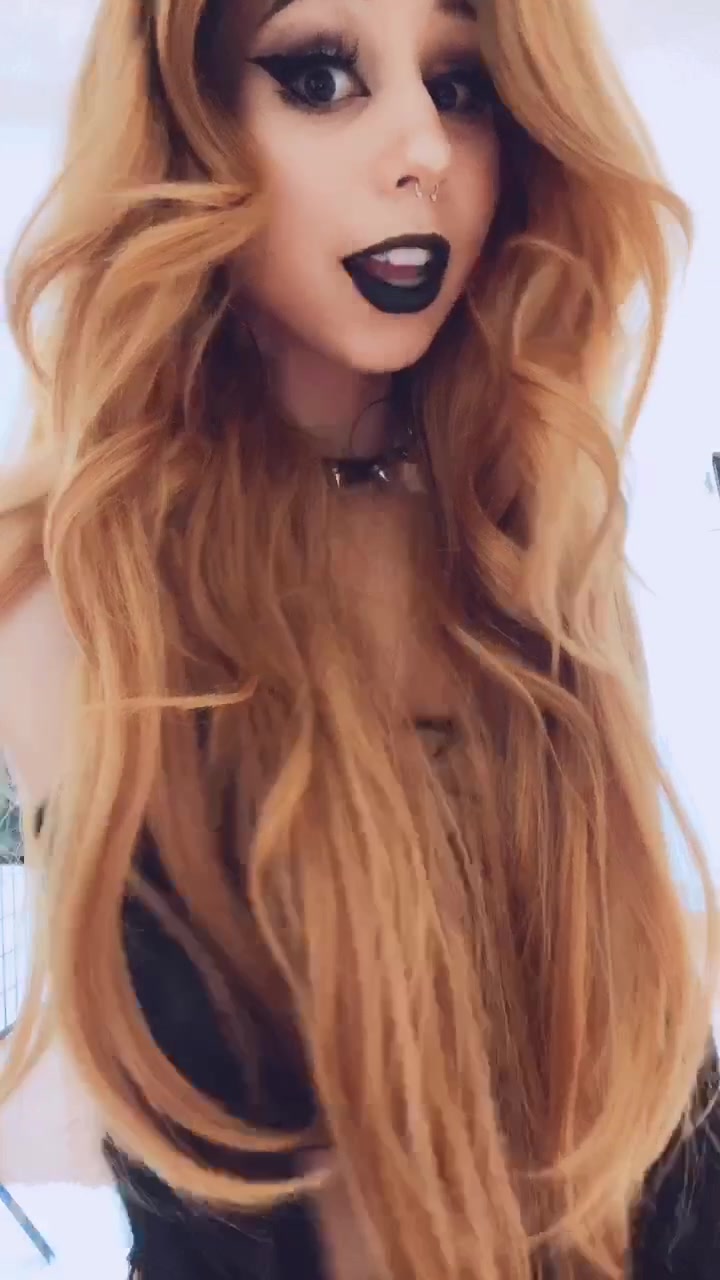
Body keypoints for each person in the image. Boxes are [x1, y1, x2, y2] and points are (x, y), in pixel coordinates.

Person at [0, 0, 718, 1276]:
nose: (424, 148)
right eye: (321, 76)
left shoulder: (533, 534)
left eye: (462, 87)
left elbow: (649, 1101)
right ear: (188, 122)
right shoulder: (71, 583)